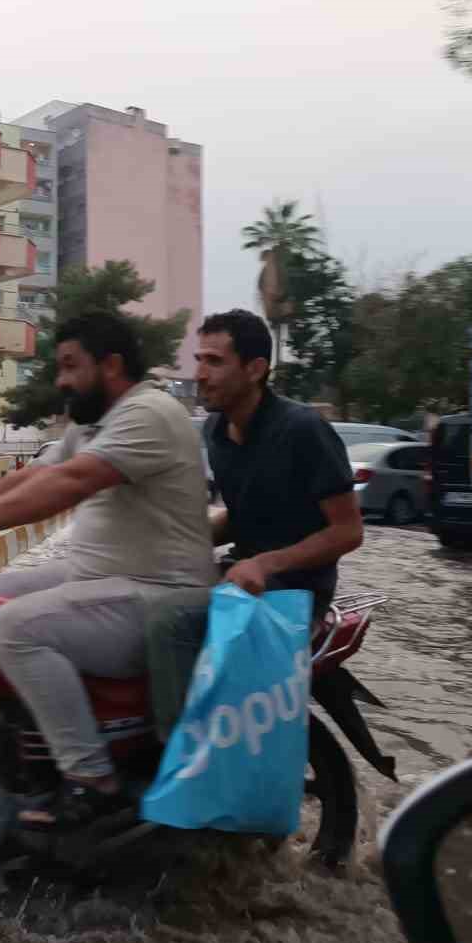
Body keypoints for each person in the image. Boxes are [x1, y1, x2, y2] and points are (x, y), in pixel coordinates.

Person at [0, 311, 213, 828]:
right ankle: (19, 738)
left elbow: (71, 482)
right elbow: (36, 474)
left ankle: (93, 780)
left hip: (158, 593)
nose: (61, 380)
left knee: (12, 628)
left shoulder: (150, 413)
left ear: (112, 365)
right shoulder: (95, 419)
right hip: (97, 576)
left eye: (71, 366)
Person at [146, 308, 363, 739]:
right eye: (199, 359)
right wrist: (188, 539)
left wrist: (265, 564)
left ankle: (184, 762)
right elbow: (246, 513)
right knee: (144, 591)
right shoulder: (216, 431)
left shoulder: (303, 429)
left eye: (214, 361)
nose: (200, 374)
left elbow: (348, 530)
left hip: (295, 591)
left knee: (167, 619)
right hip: (242, 574)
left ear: (255, 369)